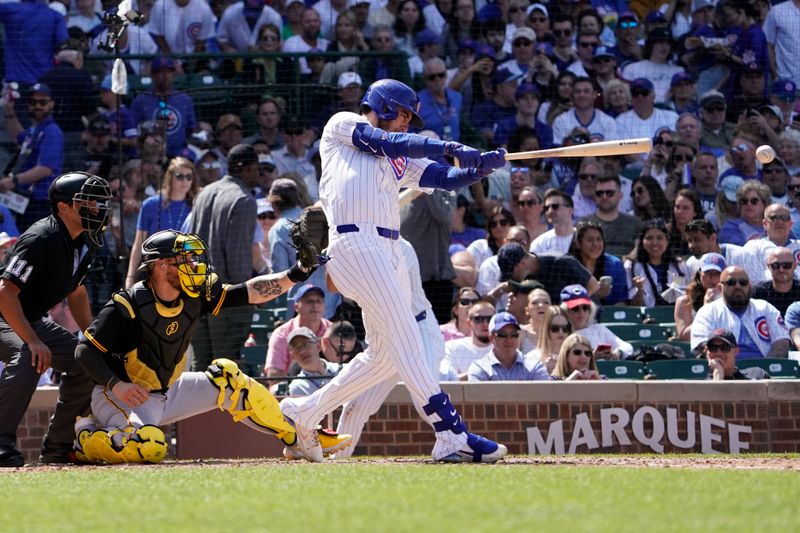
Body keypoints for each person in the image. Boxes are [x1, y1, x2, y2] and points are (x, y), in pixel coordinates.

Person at [279, 79, 509, 463]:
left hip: (388, 249)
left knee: (386, 357)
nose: (406, 122)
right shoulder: (343, 125)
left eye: (409, 117)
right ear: (382, 105)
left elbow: (441, 176)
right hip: (355, 242)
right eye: (402, 113)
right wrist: (450, 147)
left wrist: (478, 168)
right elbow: (387, 142)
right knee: (407, 336)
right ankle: (450, 433)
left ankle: (303, 411)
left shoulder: (399, 153)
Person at [71, 229, 351, 464]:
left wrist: (296, 273)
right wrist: (116, 385)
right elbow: (84, 350)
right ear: (161, 265)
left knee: (229, 378)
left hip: (170, 389)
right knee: (150, 446)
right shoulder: (126, 305)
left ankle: (297, 437)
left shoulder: (196, 294)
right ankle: (86, 437)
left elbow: (250, 292)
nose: (193, 265)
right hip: (122, 396)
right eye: (184, 259)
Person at [0, 172, 111, 468]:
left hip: (28, 317)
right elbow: (5, 292)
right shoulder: (41, 238)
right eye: (88, 201)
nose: (97, 208)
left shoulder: (85, 239)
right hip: (4, 313)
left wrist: (90, 337)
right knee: (30, 355)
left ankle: (57, 447)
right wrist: (33, 340)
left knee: (87, 361)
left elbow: (76, 292)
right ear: (64, 207)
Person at [188, 144, 259, 371]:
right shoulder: (243, 199)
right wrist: (245, 296)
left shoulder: (204, 193)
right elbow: (237, 260)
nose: (258, 174)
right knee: (225, 370)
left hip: (197, 295)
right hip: (228, 298)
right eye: (256, 168)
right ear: (247, 169)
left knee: (201, 368)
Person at [0, 83, 64, 232]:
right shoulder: (35, 129)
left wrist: (14, 180)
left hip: (42, 203)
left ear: (52, 104)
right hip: (28, 202)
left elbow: (45, 169)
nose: (38, 106)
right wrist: (9, 112)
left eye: (43, 102)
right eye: (33, 102)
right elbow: (18, 137)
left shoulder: (51, 131)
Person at [126, 157, 198, 289]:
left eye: (189, 177)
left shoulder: (196, 206)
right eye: (179, 176)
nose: (185, 181)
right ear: (170, 177)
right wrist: (130, 276)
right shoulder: (150, 205)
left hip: (184, 273)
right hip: (155, 271)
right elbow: (138, 244)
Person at [690, 266, 791, 358]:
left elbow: (781, 340)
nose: (738, 286)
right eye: (731, 282)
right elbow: (701, 343)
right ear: (720, 288)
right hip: (725, 371)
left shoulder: (765, 308)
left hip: (764, 371)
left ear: (750, 287)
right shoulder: (708, 311)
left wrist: (768, 366)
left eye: (743, 282)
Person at [130, 57, 198, 157]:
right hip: (151, 154)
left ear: (174, 75)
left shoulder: (184, 99)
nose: (165, 76)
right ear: (153, 76)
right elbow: (133, 131)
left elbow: (192, 129)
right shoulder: (141, 100)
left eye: (168, 72)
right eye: (160, 72)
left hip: (180, 153)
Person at [265, 284, 331, 377]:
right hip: (296, 387)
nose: (315, 305)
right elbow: (274, 374)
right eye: (309, 301)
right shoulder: (282, 334)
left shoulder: (332, 330)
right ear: (296, 307)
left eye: (318, 301)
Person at [467, 312, 551, 382]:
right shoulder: (480, 368)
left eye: (514, 334)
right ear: (491, 338)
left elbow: (542, 398)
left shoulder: (534, 366)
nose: (509, 339)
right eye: (502, 334)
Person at [624, 218, 687, 307]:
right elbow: (631, 307)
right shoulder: (631, 267)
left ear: (667, 240)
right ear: (642, 241)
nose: (654, 243)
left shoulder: (679, 266)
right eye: (649, 238)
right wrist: (639, 290)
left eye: (659, 238)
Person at [560, 284, 633, 359]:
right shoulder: (559, 333)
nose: (581, 312)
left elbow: (627, 347)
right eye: (575, 308)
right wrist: (591, 358)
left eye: (585, 308)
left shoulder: (599, 329)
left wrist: (618, 353)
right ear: (565, 311)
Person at [568, 221, 628, 306]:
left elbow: (621, 301)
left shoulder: (614, 264)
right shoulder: (568, 265)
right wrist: (592, 294)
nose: (595, 244)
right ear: (578, 244)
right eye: (589, 240)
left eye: (599, 239)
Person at [580, 175, 642, 257]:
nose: (604, 197)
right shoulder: (584, 223)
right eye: (599, 193)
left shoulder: (635, 222)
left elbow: (639, 249)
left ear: (620, 195)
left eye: (609, 193)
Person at [675, 252, 725, 340]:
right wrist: (705, 311)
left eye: (716, 273)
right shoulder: (684, 301)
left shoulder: (729, 299)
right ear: (700, 273)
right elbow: (685, 336)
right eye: (707, 272)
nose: (711, 277)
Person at [443, 300, 494, 380]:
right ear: (469, 323)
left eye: (490, 319)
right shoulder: (451, 347)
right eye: (478, 319)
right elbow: (447, 381)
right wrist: (479, 373)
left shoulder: (505, 349)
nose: (485, 324)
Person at [285, 328, 339, 397]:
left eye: (305, 344)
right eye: (296, 348)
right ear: (292, 356)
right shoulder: (298, 387)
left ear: (318, 346)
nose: (302, 351)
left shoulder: (342, 370)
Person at [703, 328, 770, 380]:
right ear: (706, 351)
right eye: (713, 347)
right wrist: (718, 371)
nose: (718, 352)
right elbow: (715, 397)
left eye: (725, 347)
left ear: (736, 351)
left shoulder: (757, 375)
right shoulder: (700, 388)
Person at [752, 247, 800, 316]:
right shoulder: (758, 292)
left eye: (786, 265)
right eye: (775, 265)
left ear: (795, 266)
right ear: (768, 267)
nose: (781, 270)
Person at [718, 180, 769, 246]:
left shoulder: (772, 225)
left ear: (764, 204)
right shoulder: (729, 227)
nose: (749, 204)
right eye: (744, 201)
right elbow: (741, 249)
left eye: (754, 201)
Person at [526, 305, 571, 375]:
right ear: (546, 329)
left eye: (565, 328)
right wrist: (545, 371)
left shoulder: (577, 355)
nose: (561, 332)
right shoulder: (532, 358)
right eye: (555, 328)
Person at [530, 189, 575, 255]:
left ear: (570, 211)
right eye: (546, 208)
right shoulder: (539, 244)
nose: (550, 211)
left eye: (555, 206)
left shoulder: (583, 240)